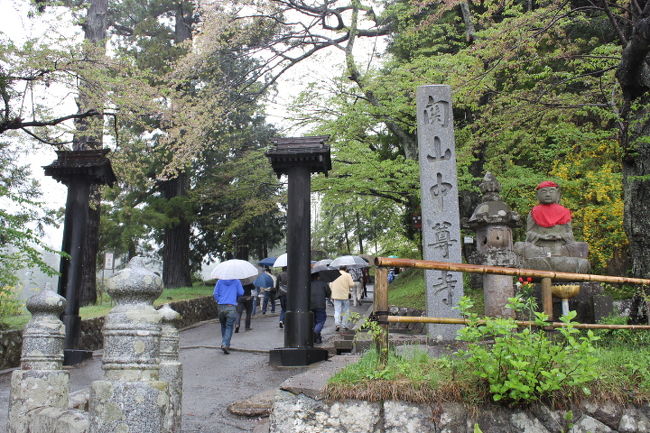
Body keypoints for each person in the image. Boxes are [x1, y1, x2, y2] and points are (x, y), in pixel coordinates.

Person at [213, 279, 243, 354]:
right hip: (231, 306)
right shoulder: (236, 281)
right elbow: (241, 292)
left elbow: (215, 294)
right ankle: (225, 344)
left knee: (223, 325)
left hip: (221, 307)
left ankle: (225, 343)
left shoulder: (219, 281)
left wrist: (220, 300)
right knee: (229, 326)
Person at [329, 265, 355, 331]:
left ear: (339, 268)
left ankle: (337, 324)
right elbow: (352, 284)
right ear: (345, 269)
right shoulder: (347, 275)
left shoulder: (334, 275)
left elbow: (330, 284)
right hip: (345, 295)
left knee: (337, 310)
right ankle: (344, 325)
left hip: (336, 295)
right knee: (346, 311)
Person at [310, 269, 331, 344]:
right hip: (320, 305)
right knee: (321, 320)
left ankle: (317, 338)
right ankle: (315, 332)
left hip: (310, 306)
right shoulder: (323, 283)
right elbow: (328, 293)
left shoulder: (308, 284)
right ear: (318, 276)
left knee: (314, 322)